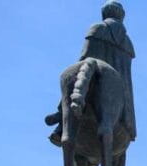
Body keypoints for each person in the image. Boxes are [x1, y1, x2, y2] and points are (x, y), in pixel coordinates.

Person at [48, 0, 136, 145]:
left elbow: (84, 58)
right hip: (119, 93)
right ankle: (127, 124)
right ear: (122, 17)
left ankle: (60, 119)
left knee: (75, 75)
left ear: (104, 13)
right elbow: (127, 79)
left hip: (91, 79)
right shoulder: (128, 43)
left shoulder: (97, 28)